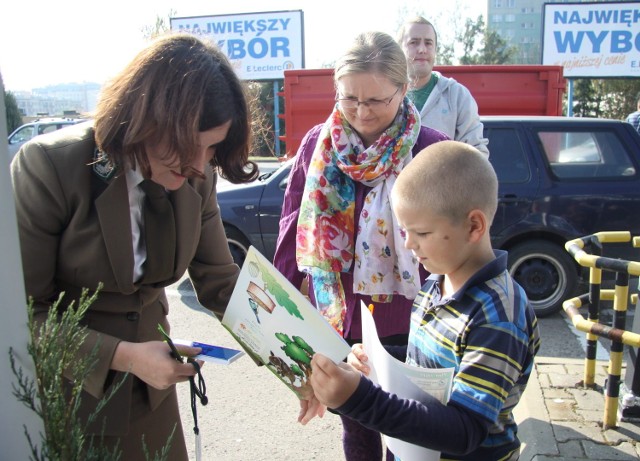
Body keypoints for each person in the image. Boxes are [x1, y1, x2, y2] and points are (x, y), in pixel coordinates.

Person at [10, 33, 258, 461]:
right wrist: (124, 357)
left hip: (153, 400)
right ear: (144, 119)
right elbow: (22, 314)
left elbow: (224, 284)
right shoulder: (50, 166)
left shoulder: (198, 175)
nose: (200, 165)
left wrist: (309, 361)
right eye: (188, 145)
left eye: (213, 147)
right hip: (69, 396)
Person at [272, 31, 449, 461]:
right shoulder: (318, 144)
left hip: (409, 323)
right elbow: (295, 227)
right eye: (349, 98)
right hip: (341, 323)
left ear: (403, 89)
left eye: (375, 101)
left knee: (409, 441)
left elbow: (451, 245)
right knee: (357, 435)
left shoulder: (431, 150)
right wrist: (281, 310)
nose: (360, 112)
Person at [309, 140, 540, 461]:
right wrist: (376, 363)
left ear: (474, 226)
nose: (408, 245)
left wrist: (358, 398)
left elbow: (465, 430)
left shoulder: (498, 315)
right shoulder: (436, 280)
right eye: (404, 231)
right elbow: (432, 363)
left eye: (421, 233)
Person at [397, 16, 489, 155]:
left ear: (435, 49)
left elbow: (476, 154)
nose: (422, 49)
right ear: (399, 49)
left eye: (428, 43)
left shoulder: (457, 96)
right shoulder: (384, 95)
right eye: (414, 42)